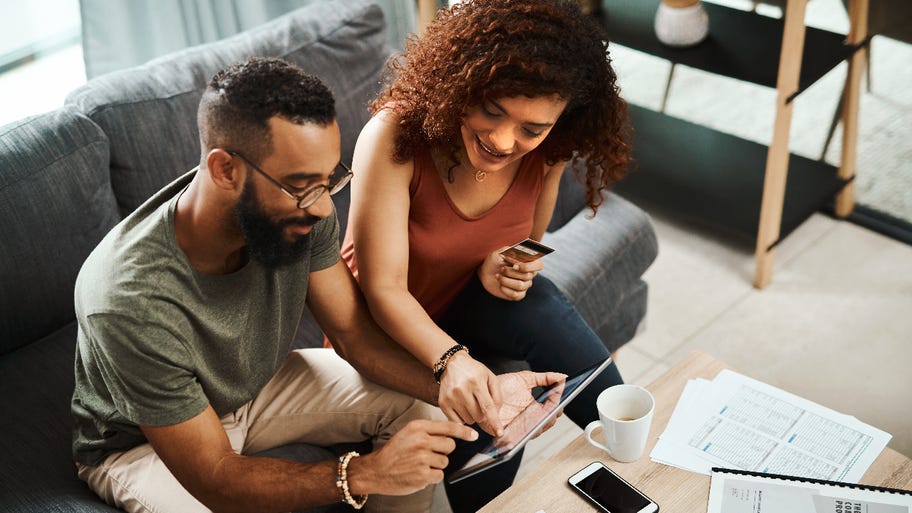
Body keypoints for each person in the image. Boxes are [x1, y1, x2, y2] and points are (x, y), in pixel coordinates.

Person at [70, 56, 562, 513]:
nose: (327, 208)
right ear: (225, 170)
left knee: (419, 406)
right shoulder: (127, 300)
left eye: (330, 180)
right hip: (144, 443)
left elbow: (355, 337)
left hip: (256, 388)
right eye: (304, 186)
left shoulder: (303, 204)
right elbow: (215, 475)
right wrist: (365, 473)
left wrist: (484, 394)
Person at [344, 1, 633, 509]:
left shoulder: (551, 149)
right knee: (499, 382)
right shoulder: (395, 137)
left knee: (535, 302)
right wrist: (452, 360)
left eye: (532, 128)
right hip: (388, 332)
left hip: (468, 309)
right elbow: (383, 289)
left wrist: (502, 264)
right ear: (461, 83)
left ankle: (634, 447)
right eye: (492, 111)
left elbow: (526, 239)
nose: (503, 141)